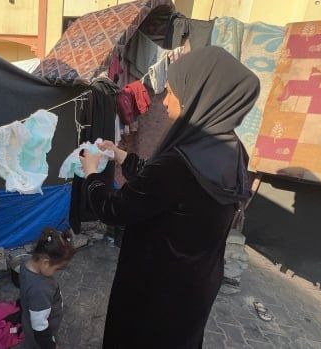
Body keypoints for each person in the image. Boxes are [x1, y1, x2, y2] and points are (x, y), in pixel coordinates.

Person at [80, 46, 260, 348]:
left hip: (156, 288)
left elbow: (115, 210)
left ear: (201, 95)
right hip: (196, 285)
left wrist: (91, 176)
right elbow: (167, 192)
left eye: (176, 91)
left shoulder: (179, 164)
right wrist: (124, 156)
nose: (166, 102)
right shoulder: (233, 151)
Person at [20, 228, 74, 349]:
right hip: (41, 336)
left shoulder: (25, 265)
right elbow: (40, 329)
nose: (55, 273)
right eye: (56, 269)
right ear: (45, 263)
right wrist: (51, 346)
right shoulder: (40, 289)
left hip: (29, 321)